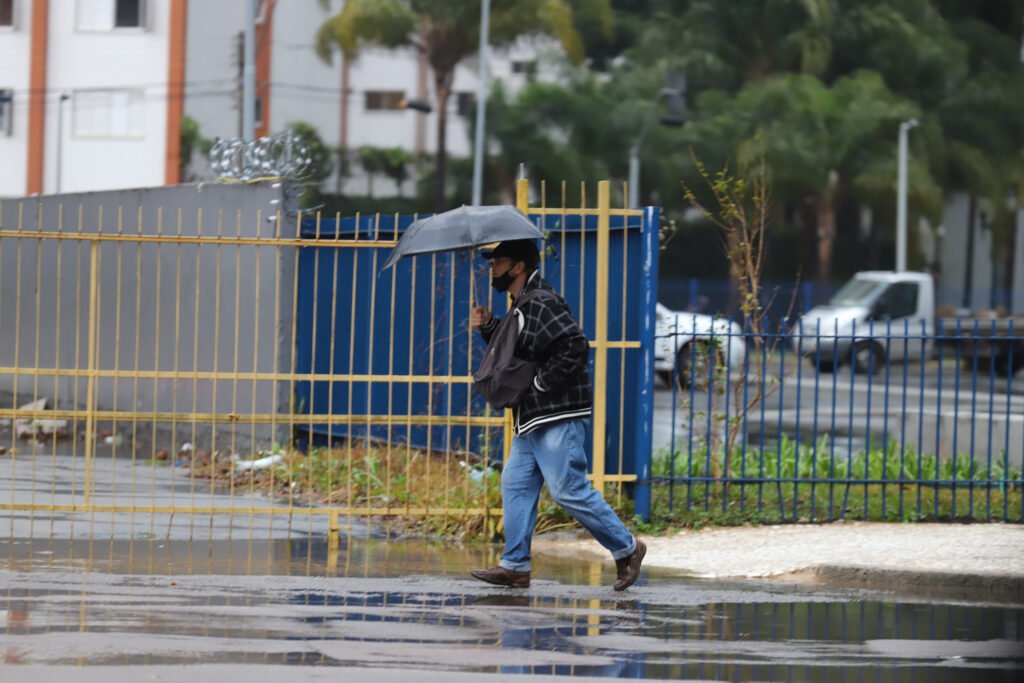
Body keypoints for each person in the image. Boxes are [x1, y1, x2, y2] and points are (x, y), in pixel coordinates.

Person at [469, 239, 646, 591]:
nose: (492, 268)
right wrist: (489, 326)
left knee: (567, 490)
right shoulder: (522, 304)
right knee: (515, 484)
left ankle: (627, 547)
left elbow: (575, 346)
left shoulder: (542, 302)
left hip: (556, 414)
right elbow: (517, 352)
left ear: (518, 267)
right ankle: (515, 566)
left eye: (499, 261)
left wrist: (540, 383)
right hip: (532, 418)